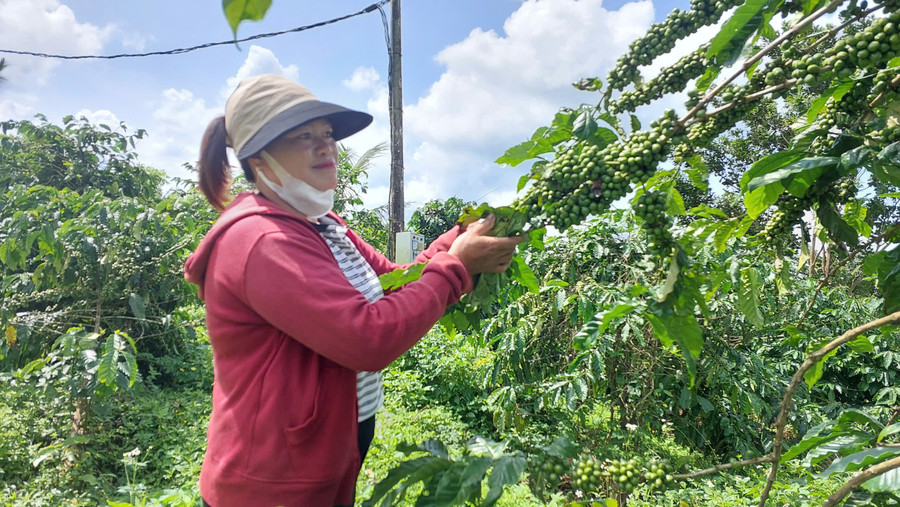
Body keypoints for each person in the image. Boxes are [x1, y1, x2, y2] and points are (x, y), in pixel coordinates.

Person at [184, 73, 524, 507]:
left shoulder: (324, 225)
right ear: (258, 158)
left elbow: (391, 283)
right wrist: (457, 265)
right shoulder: (261, 241)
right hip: (273, 479)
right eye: (303, 136)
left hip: (329, 444)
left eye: (326, 134)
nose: (325, 145)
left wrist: (452, 241)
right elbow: (367, 337)